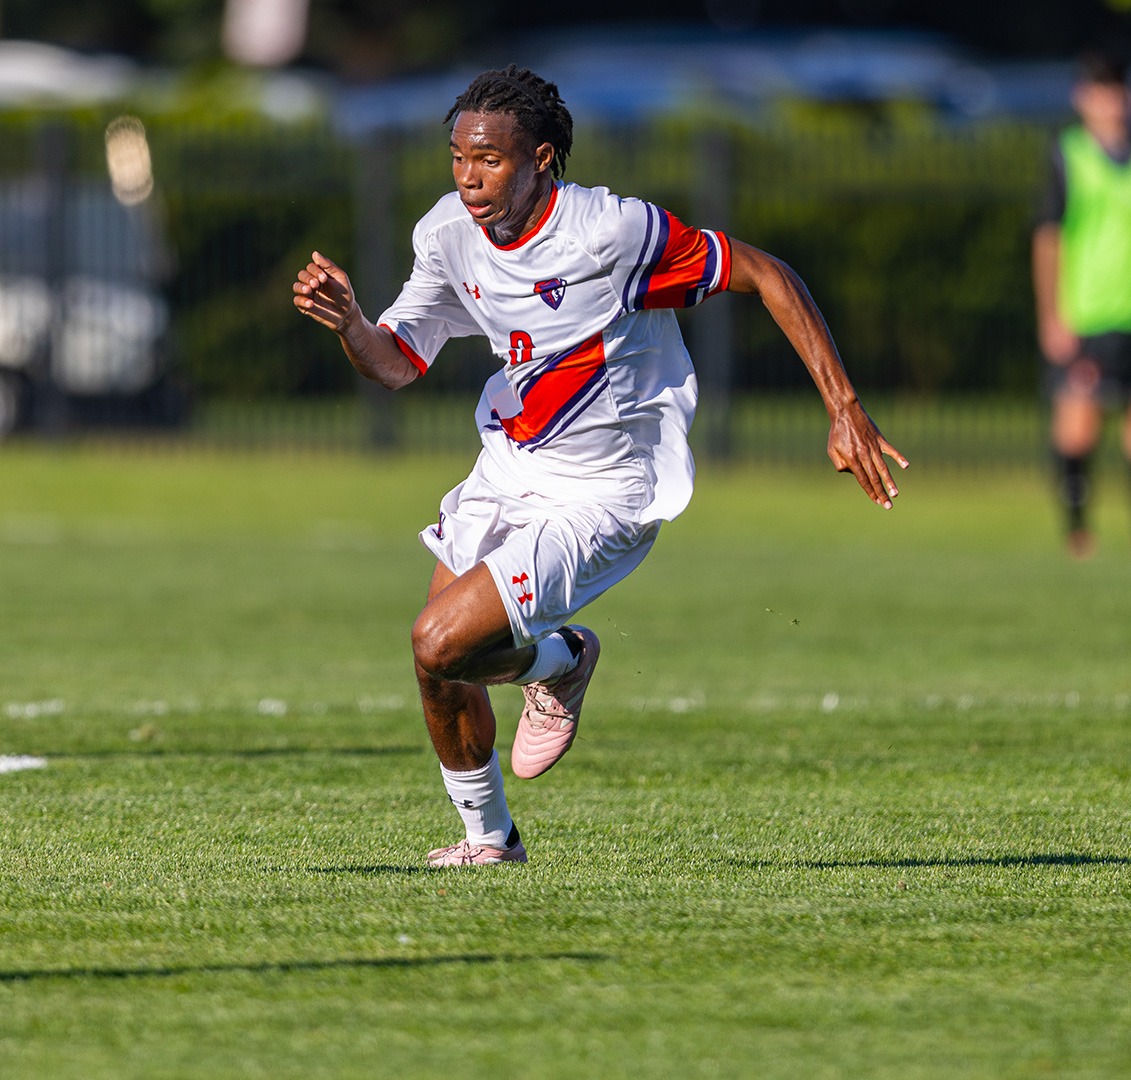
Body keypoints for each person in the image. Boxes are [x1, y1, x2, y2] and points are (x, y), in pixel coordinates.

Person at [292, 66, 905, 867]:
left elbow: (764, 272)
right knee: (440, 663)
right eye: (458, 158)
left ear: (541, 157)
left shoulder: (611, 232)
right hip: (510, 464)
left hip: (606, 491)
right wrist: (349, 323)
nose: (470, 179)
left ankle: (564, 660)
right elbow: (398, 362)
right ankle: (491, 838)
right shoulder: (446, 233)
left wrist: (844, 405)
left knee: (439, 639)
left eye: (491, 161)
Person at [1034, 52, 1131, 559]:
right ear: (1083, 99)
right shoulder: (1069, 153)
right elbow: (1048, 240)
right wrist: (1052, 314)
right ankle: (1077, 531)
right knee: (1077, 429)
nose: (1112, 105)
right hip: (1087, 312)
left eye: (1119, 93)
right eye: (1101, 94)